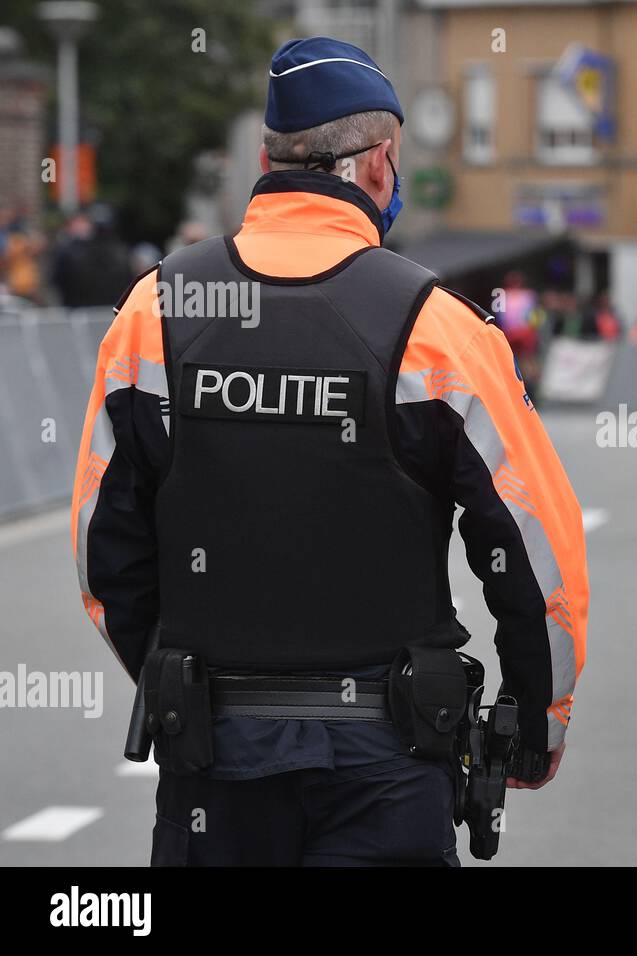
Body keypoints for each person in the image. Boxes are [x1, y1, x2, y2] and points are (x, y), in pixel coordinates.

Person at [71, 36, 588, 866]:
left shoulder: (156, 309)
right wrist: (536, 718)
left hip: (215, 763)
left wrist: (181, 686)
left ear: (270, 159)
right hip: (388, 764)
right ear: (378, 163)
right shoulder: (438, 327)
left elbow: (104, 549)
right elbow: (532, 550)